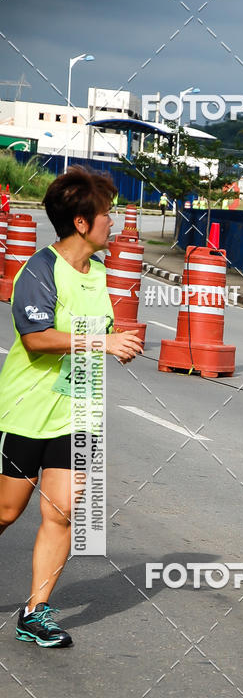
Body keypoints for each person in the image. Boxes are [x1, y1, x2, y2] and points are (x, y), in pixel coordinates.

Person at [0, 166, 144, 647]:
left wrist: (115, 345)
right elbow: (37, 338)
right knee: (5, 511)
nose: (114, 222)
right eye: (107, 214)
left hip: (78, 416)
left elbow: (94, 339)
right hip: (25, 412)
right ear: (81, 222)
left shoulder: (101, 275)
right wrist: (102, 342)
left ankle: (35, 611)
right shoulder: (38, 270)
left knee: (61, 513)